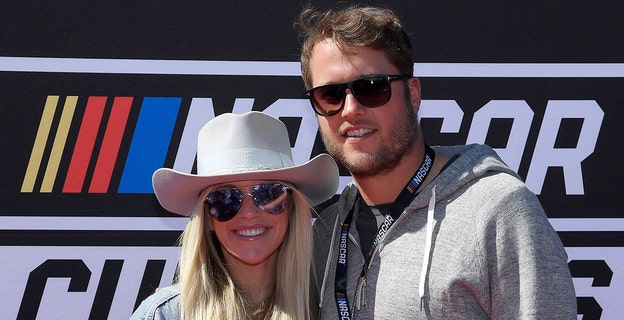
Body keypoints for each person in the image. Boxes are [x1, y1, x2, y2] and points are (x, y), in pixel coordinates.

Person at [297, 5, 577, 319]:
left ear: (413, 94)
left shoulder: (496, 209)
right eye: (330, 95)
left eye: (372, 88)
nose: (350, 109)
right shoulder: (326, 231)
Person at [130, 111, 339, 320]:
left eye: (267, 194)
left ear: (292, 208)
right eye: (226, 198)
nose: (248, 213)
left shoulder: (329, 311)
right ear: (207, 219)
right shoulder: (164, 315)